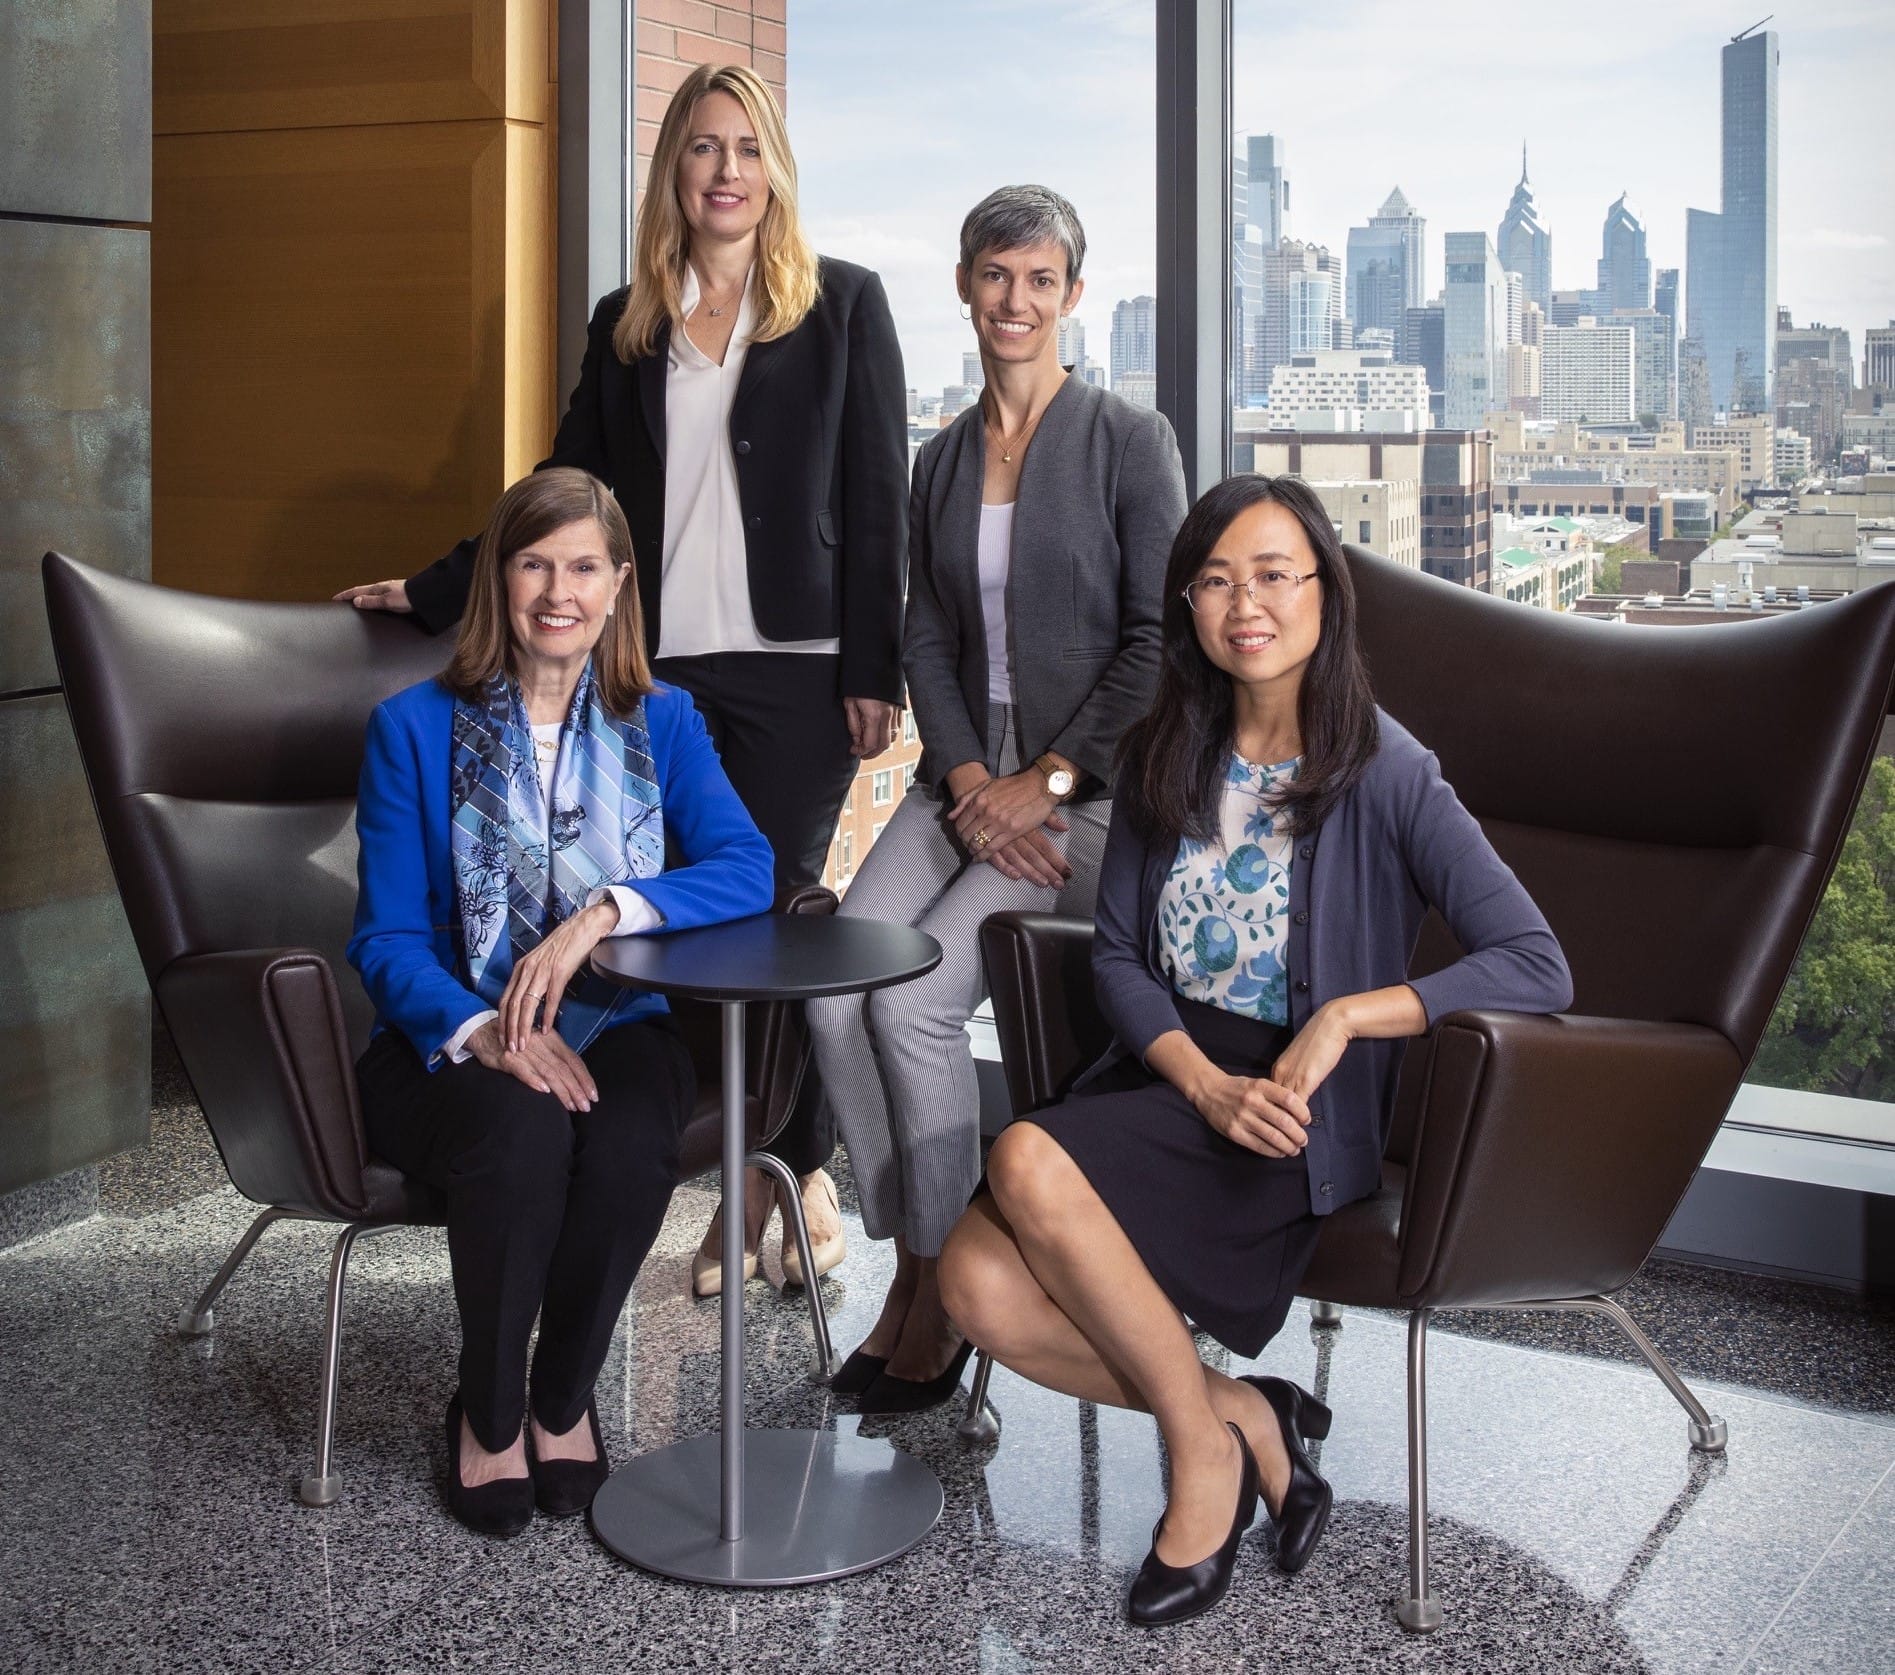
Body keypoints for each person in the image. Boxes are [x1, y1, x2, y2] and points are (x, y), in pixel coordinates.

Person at [936, 474, 1573, 1625]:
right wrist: (1198, 1081)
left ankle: (1200, 1467)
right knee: (973, 1284)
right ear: (1186, 605)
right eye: (1217, 578)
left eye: (1273, 573)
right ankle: (1234, 1414)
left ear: (1323, 590)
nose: (1246, 603)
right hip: (1177, 1075)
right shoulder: (1163, 749)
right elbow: (1122, 960)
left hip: (1292, 1107)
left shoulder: (1386, 769)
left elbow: (1534, 960)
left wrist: (1342, 1017)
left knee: (1024, 1160)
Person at [335, 62, 908, 1297]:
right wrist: (438, 589)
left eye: (746, 149)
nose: (726, 172)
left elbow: (877, 498)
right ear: (674, 172)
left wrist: (876, 665)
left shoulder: (842, 305)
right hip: (658, 676)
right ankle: (774, 1178)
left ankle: (776, 1176)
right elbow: (560, 481)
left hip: (801, 672)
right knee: (674, 927)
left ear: (775, 171)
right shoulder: (626, 323)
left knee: (766, 923)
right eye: (703, 148)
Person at [804, 185, 1188, 1415]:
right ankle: (922, 1256)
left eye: (1038, 281)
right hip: (962, 783)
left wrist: (1042, 786)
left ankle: (937, 1296)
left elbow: (1156, 643)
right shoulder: (942, 456)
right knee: (830, 994)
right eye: (992, 277)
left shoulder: (1131, 442)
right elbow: (922, 634)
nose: (1013, 303)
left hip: (1089, 799)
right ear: (965, 286)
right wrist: (973, 782)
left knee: (913, 999)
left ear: (1071, 296)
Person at [348, 467, 774, 1536]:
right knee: (521, 1131)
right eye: (534, 562)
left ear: (618, 583)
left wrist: (604, 912)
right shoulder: (410, 727)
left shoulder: (663, 722)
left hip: (615, 1020)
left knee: (632, 1141)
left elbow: (747, 866)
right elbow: (386, 936)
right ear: (499, 575)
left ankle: (562, 1396)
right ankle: (489, 1413)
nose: (558, 590)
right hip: (444, 1032)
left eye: (583, 566)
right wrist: (485, 1027)